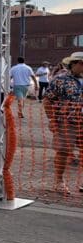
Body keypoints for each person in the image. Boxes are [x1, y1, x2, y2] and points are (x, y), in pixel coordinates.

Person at [43, 51, 83, 195]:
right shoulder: (60, 80)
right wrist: (52, 120)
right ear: (73, 64)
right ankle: (59, 181)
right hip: (66, 122)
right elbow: (47, 100)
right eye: (81, 63)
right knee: (63, 152)